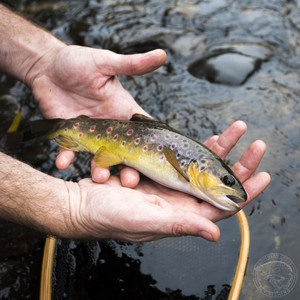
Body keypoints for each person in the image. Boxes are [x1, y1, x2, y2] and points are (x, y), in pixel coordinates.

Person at [0, 4, 270, 242]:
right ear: (198, 168)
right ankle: (23, 134)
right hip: (108, 135)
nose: (230, 187)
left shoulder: (196, 175)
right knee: (67, 133)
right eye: (225, 179)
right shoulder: (188, 171)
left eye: (226, 180)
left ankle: (19, 135)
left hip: (116, 136)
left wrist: (42, 61)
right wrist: (69, 211)